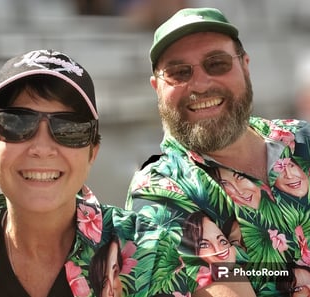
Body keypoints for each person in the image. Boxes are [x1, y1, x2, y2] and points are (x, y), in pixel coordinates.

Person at [0, 49, 192, 296]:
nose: (42, 149)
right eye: (16, 124)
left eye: (69, 129)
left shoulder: (149, 252)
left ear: (93, 152)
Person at [125, 7, 310, 297]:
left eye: (217, 63)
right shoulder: (162, 191)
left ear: (245, 65)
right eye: (178, 72)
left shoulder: (303, 140)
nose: (200, 84)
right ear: (157, 88)